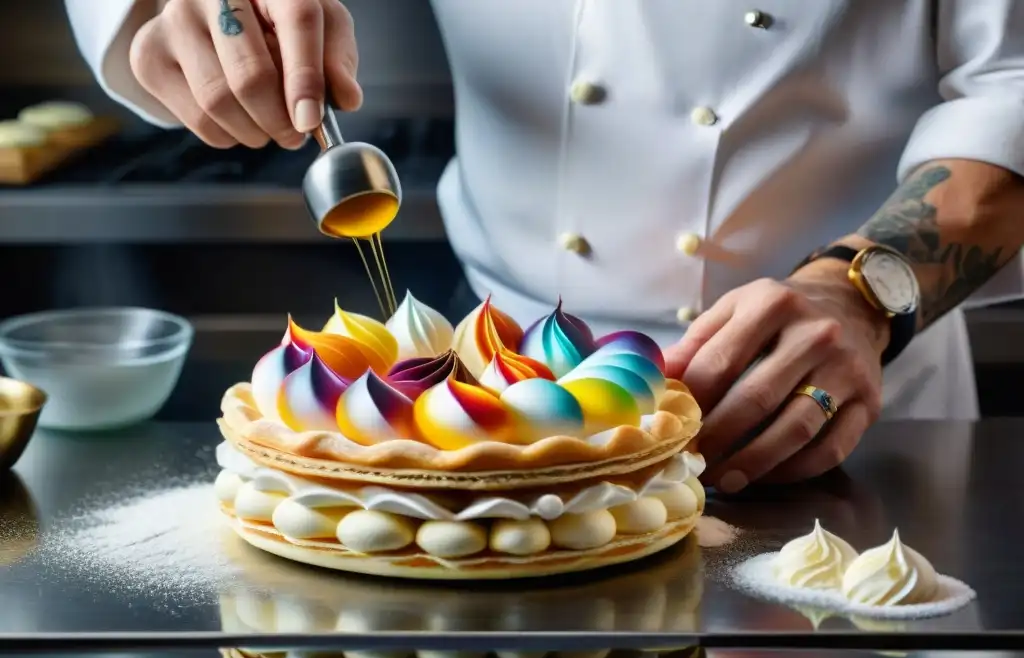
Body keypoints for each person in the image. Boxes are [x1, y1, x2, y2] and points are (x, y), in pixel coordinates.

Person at [65, 0, 1024, 493]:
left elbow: (1011, 89)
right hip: (483, 406)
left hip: (839, 403)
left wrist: (857, 296)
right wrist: (157, 14)